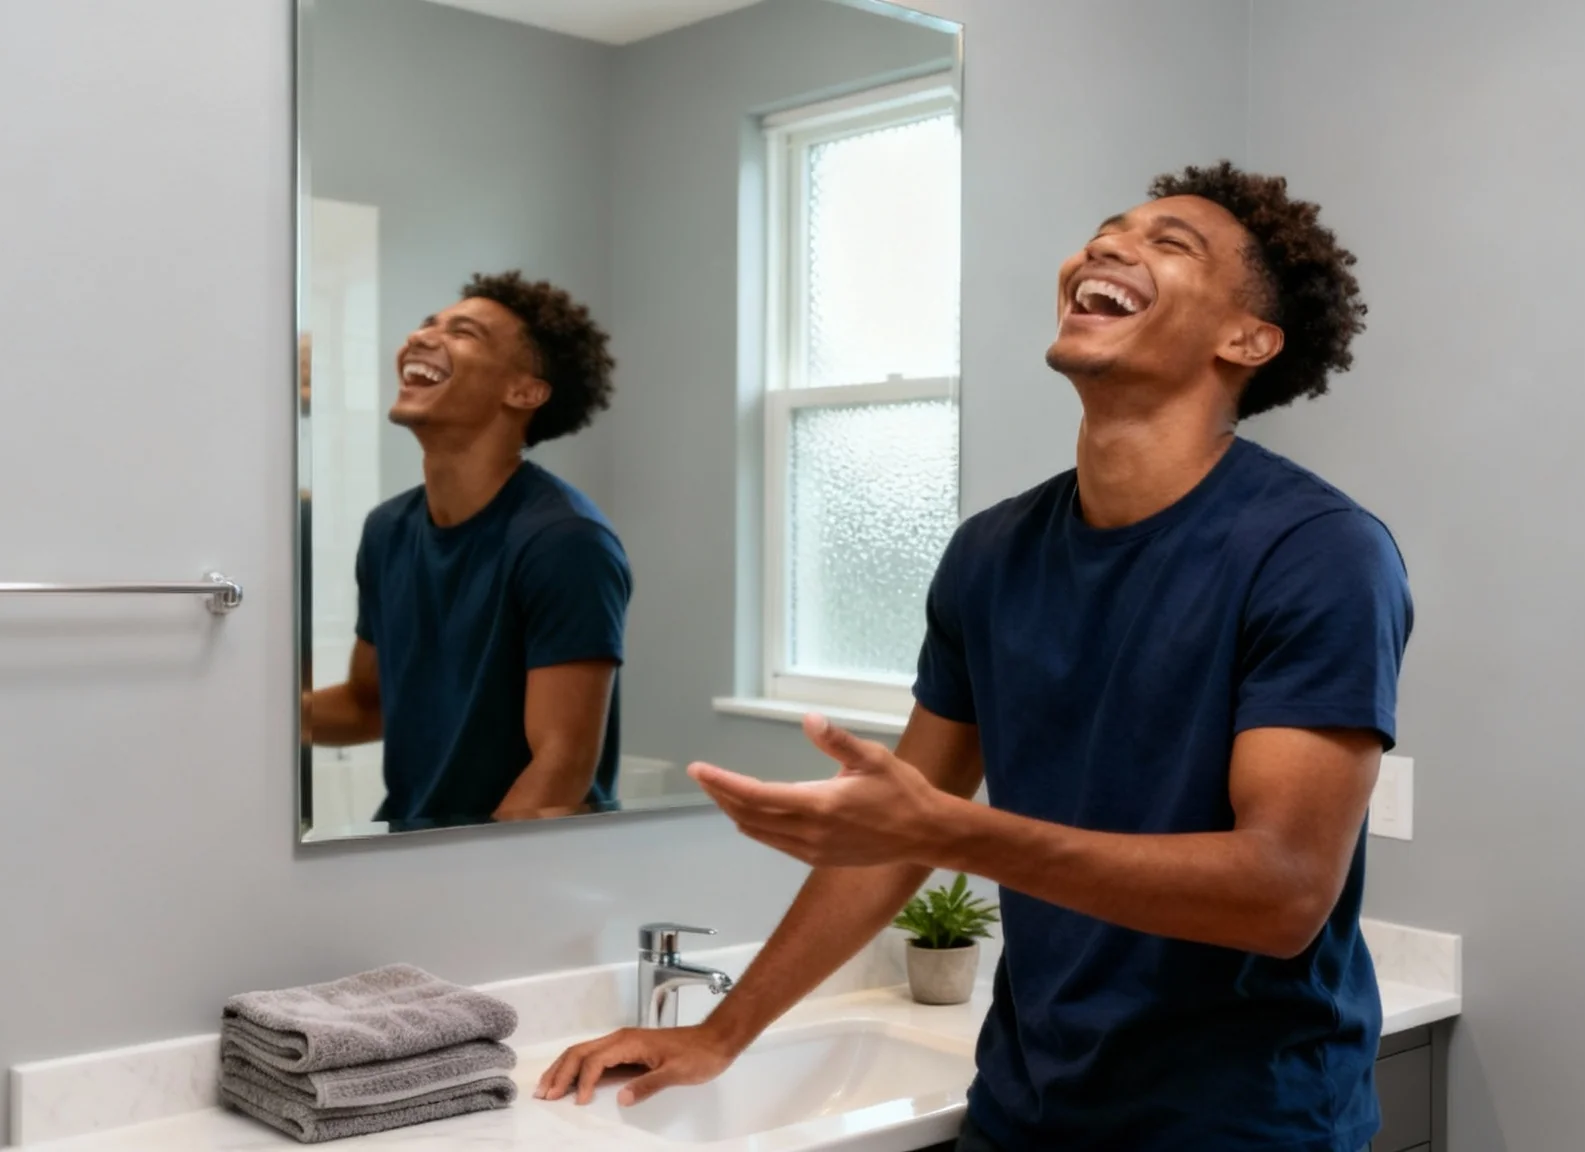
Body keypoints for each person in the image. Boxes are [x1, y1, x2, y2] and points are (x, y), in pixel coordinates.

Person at [538, 162, 1413, 1151]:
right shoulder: (991, 553)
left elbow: (1281, 895)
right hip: (1025, 1114)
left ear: (1245, 340)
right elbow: (900, 836)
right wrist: (720, 1032)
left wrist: (953, 832)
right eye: (1106, 228)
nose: (1109, 245)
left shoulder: (1317, 553)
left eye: (1169, 243)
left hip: (1241, 1126)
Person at [304, 271, 631, 827]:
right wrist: (241, 717)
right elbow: (369, 704)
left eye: (464, 333)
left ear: (525, 391)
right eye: (428, 324)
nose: (421, 336)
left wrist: (465, 882)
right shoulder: (387, 530)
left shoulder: (566, 542)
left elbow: (561, 768)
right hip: (413, 848)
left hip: (517, 867)